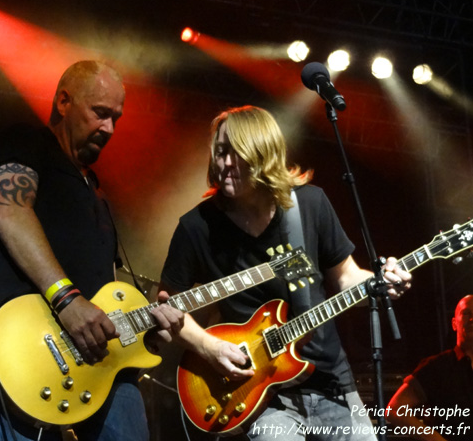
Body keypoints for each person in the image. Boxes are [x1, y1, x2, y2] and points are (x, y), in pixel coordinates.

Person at [160, 105, 412, 440]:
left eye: (237, 154)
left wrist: (382, 284)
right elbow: (166, 306)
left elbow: (347, 277)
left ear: (263, 156)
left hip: (331, 382)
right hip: (261, 396)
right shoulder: (197, 227)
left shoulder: (309, 204)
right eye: (220, 153)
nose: (225, 164)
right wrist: (209, 347)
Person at [0, 60, 183, 441]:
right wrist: (67, 300)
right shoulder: (25, 143)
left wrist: (144, 331)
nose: (109, 128)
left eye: (116, 118)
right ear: (64, 101)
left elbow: (110, 295)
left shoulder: (95, 192)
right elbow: (11, 214)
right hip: (24, 349)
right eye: (100, 113)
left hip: (100, 360)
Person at [385, 295, 473, 441]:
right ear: (454, 323)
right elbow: (395, 410)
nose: (471, 319)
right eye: (466, 313)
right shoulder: (437, 367)